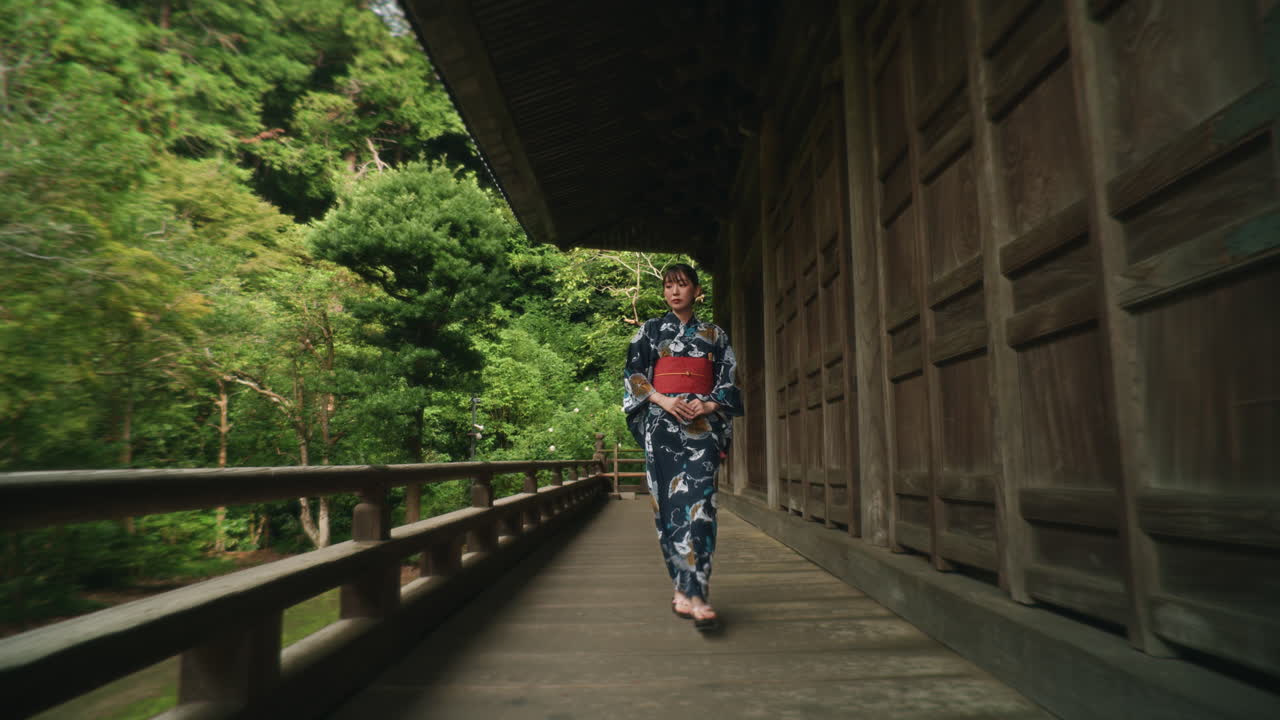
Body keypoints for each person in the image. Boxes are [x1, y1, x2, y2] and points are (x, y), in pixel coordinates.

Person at [622, 263, 742, 631]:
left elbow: (728, 379)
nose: (675, 292)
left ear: (696, 290)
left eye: (682, 285)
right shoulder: (650, 330)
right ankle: (681, 586)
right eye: (668, 286)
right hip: (663, 425)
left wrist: (708, 405)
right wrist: (662, 399)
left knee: (702, 503)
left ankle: (698, 592)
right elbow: (634, 375)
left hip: (703, 426)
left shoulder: (715, 335)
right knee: (670, 504)